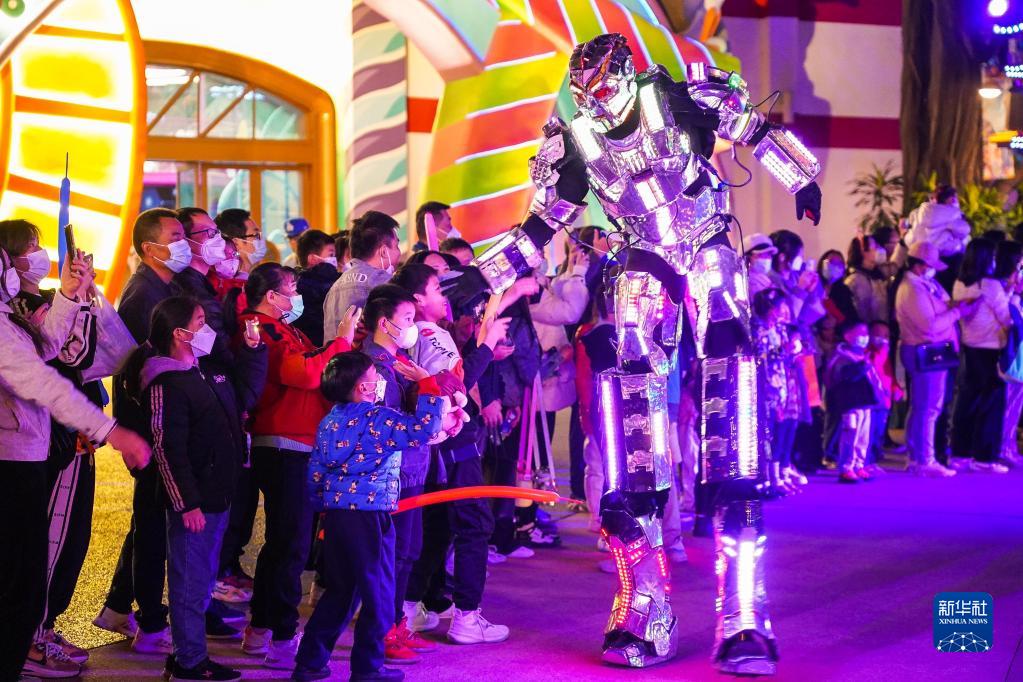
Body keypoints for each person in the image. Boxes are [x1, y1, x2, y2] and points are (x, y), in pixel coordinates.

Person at [0, 245, 151, 680]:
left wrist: (69, 296)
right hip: (13, 462)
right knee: (20, 584)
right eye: (11, 260)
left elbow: (46, 351)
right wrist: (110, 430)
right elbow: (43, 381)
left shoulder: (10, 318)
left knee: (25, 581)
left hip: (26, 454)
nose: (14, 269)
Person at [293, 352, 457, 682]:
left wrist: (324, 505)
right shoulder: (378, 419)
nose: (379, 381)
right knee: (379, 595)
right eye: (374, 377)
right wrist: (428, 384)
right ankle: (368, 668)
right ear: (362, 387)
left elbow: (315, 472)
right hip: (370, 519)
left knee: (340, 591)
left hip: (337, 517)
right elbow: (425, 430)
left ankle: (310, 662)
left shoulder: (329, 422)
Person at [128, 296, 267, 681]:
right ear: (179, 332)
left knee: (202, 580)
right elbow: (167, 448)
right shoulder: (165, 382)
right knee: (190, 583)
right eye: (201, 321)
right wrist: (186, 503)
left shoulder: (201, 371)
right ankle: (189, 662)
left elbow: (242, 399)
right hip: (195, 504)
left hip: (217, 495)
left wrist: (253, 351)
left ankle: (188, 655)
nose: (209, 329)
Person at [232, 263, 358, 670]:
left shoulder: (285, 328)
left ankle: (261, 629)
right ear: (271, 295)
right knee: (291, 546)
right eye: (290, 288)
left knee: (283, 543)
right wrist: (341, 341)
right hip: (283, 444)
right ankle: (284, 636)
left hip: (298, 442)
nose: (296, 295)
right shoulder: (259, 328)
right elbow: (302, 372)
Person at [395, 263, 512, 645]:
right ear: (417, 299)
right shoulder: (430, 333)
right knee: (474, 523)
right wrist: (487, 344)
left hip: (436, 444)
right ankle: (467, 616)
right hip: (453, 443)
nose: (443, 297)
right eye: (436, 288)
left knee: (438, 525)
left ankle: (408, 607)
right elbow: (455, 385)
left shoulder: (418, 333)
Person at [96, 208, 188, 652]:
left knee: (149, 519)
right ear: (150, 247)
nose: (185, 243)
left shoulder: (163, 287)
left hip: (157, 423)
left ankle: (119, 605)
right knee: (153, 524)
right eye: (177, 236)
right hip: (150, 427)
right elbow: (138, 370)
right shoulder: (142, 296)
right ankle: (150, 621)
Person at [359, 284, 457, 663]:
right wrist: (428, 397)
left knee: (407, 552)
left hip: (412, 470)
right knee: (391, 556)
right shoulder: (373, 366)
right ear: (385, 323)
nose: (413, 326)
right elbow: (387, 423)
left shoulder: (399, 359)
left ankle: (395, 623)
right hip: (391, 474)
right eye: (408, 318)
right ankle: (380, 631)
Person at [894, 241, 969, 477]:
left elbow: (943, 306)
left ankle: (917, 456)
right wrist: (957, 312)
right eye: (931, 266)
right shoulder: (912, 289)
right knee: (928, 407)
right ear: (919, 265)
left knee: (923, 406)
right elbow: (929, 326)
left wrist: (953, 308)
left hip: (933, 351)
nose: (933, 270)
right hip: (924, 351)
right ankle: (925, 459)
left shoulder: (926, 284)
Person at [951, 238, 1011, 473]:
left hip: (970, 346)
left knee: (968, 400)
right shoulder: (990, 285)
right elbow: (1005, 317)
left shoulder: (960, 283)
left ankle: (961, 452)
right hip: (991, 348)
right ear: (986, 259)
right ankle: (985, 457)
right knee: (991, 404)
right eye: (993, 256)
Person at [752, 288, 805, 494]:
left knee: (779, 432)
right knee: (766, 433)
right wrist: (783, 350)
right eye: (779, 306)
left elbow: (785, 358)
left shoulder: (780, 329)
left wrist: (794, 352)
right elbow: (760, 356)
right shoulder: (757, 328)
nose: (783, 310)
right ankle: (764, 479)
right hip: (764, 388)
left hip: (780, 385)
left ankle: (777, 477)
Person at [323, 211, 401, 342]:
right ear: (384, 251)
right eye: (396, 246)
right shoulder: (385, 283)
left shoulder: (334, 287)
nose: (399, 252)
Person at [824, 319, 883, 483]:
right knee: (851, 436)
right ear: (847, 335)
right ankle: (846, 468)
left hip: (864, 403)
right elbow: (845, 376)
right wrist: (862, 366)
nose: (865, 337)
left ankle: (859, 464)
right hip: (850, 403)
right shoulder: (840, 356)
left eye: (866, 333)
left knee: (863, 437)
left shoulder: (862, 355)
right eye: (860, 333)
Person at [174, 208, 233, 359]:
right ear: (185, 240)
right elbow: (220, 354)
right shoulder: (192, 292)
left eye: (217, 232)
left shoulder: (201, 282)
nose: (219, 239)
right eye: (210, 233)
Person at [902, 184, 970, 293]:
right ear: (951, 199)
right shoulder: (953, 214)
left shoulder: (918, 213)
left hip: (921, 259)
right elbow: (964, 231)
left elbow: (910, 237)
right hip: (947, 261)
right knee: (946, 292)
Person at [997, 240, 1023, 467]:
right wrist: (1013, 291)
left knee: (1015, 400)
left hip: (1016, 349)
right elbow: (1007, 316)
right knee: (1009, 400)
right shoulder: (998, 287)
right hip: (1010, 352)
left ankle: (1008, 445)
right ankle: (1003, 446)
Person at [865, 320, 900, 475]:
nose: (883, 338)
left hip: (885, 399)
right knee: (871, 431)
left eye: (886, 335)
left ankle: (875, 457)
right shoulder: (869, 353)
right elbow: (872, 367)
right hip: (872, 398)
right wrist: (881, 352)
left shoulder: (885, 354)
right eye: (879, 334)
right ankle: (868, 461)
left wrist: (895, 388)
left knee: (879, 430)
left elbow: (889, 374)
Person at [293, 229, 340, 346]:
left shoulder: (296, 283)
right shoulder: (326, 283)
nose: (334, 260)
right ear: (312, 259)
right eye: (331, 255)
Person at [844, 234, 887, 323]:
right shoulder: (853, 281)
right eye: (875, 246)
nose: (879, 249)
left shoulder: (877, 276)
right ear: (863, 251)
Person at [217, 209, 267, 277]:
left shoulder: (261, 278)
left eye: (260, 234)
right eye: (256, 235)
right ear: (236, 243)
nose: (262, 239)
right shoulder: (226, 281)